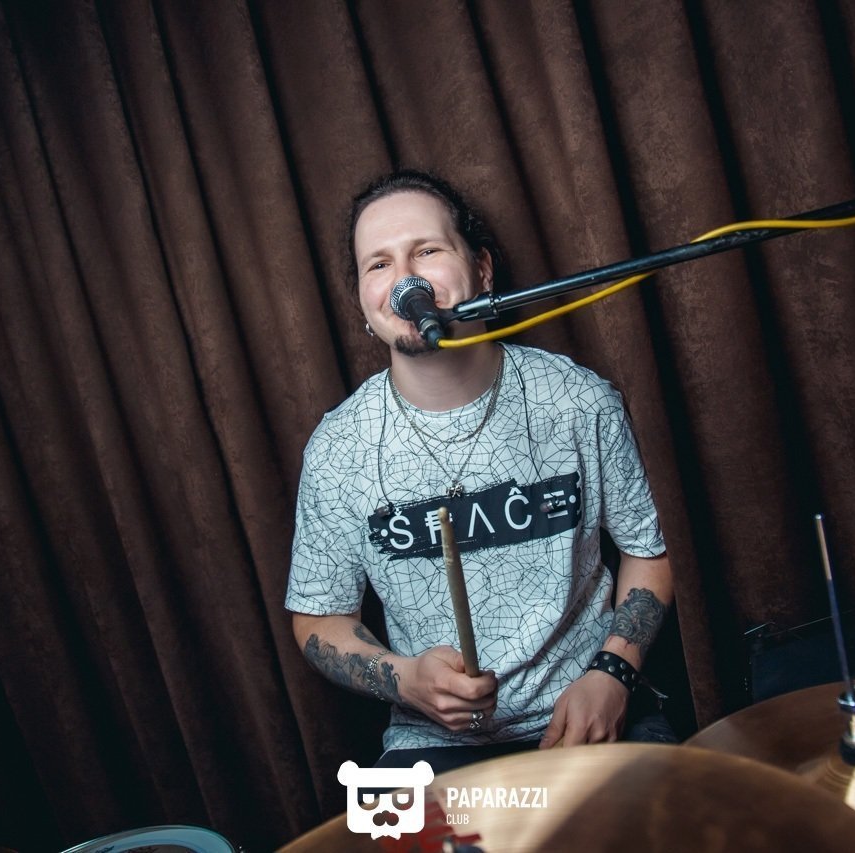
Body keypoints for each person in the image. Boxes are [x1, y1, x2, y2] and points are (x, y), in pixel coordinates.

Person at [285, 169, 675, 773]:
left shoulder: (578, 401)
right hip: (433, 748)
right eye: (379, 264)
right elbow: (319, 617)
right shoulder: (338, 449)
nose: (406, 279)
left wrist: (613, 674)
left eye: (427, 251)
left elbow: (649, 552)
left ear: (483, 271)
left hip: (590, 715)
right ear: (363, 302)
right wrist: (404, 678)